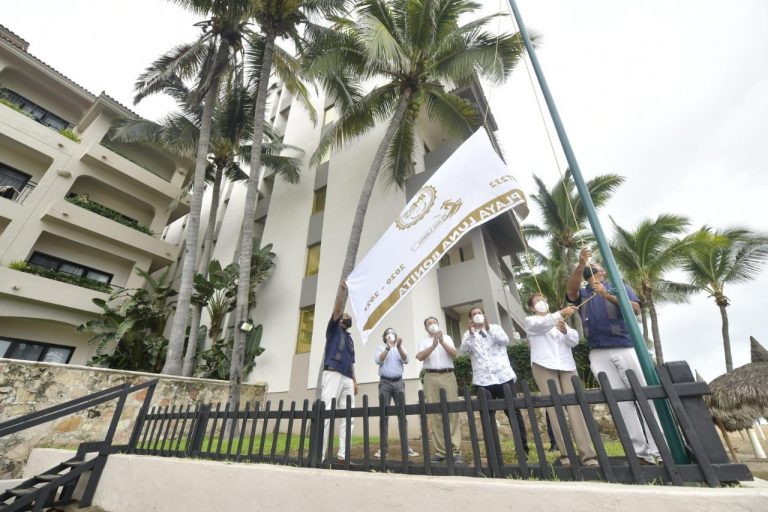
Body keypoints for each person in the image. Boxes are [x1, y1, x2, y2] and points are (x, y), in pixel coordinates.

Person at [566, 248, 661, 465]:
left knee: (644, 395)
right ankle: (641, 453)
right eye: (588, 270)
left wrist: (607, 295)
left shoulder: (618, 286)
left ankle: (660, 450)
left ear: (603, 273)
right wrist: (580, 264)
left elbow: (635, 308)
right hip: (598, 352)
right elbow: (571, 292)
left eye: (594, 268)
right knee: (620, 402)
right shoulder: (582, 293)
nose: (591, 270)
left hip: (624, 347)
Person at [525, 293, 599, 466]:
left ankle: (588, 455)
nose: (542, 302)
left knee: (575, 407)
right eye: (537, 301)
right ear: (531, 307)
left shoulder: (560, 321)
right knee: (554, 408)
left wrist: (565, 331)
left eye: (544, 299)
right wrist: (560, 313)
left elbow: (573, 340)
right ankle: (566, 455)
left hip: (567, 365)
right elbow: (540, 326)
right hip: (543, 364)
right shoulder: (531, 321)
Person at [459, 307, 529, 456]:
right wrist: (471, 333)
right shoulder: (468, 334)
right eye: (474, 314)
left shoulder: (495, 328)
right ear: (470, 319)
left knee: (513, 411)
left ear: (484, 315)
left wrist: (489, 329)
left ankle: (522, 449)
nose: (477, 316)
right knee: (486, 414)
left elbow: (504, 340)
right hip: (483, 380)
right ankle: (493, 451)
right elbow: (464, 350)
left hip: (503, 376)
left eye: (479, 313)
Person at [415, 316, 463, 463]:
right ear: (425, 327)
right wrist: (433, 345)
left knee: (452, 412)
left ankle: (456, 451)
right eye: (429, 323)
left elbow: (454, 354)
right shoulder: (423, 341)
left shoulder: (447, 337)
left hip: (448, 374)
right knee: (435, 413)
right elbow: (419, 356)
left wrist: (441, 342)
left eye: (434, 322)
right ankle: (441, 451)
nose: (432, 325)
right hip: (431, 377)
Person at [320, 282, 358, 463]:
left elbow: (351, 362)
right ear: (341, 318)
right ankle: (319, 455)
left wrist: (355, 381)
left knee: (348, 416)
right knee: (327, 412)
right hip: (333, 373)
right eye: (346, 314)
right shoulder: (333, 330)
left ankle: (343, 455)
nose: (348, 316)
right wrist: (342, 293)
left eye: (349, 316)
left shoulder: (350, 340)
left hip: (347, 378)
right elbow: (336, 310)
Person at [373, 327, 419, 459]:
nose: (390, 335)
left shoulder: (400, 348)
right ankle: (383, 449)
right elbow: (378, 360)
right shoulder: (380, 348)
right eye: (388, 333)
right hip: (385, 383)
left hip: (398, 382)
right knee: (384, 416)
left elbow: (407, 360)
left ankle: (406, 447)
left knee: (402, 415)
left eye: (392, 333)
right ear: (384, 337)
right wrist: (387, 348)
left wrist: (398, 346)